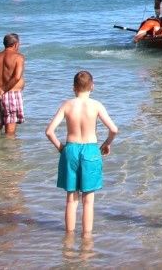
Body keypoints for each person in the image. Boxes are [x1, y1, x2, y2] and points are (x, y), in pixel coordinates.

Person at [44, 70, 118, 234]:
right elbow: (114, 129)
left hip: (70, 149)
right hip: (91, 150)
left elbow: (49, 131)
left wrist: (61, 148)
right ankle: (87, 239)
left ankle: (69, 238)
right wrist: (106, 143)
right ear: (92, 86)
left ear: (73, 88)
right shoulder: (96, 105)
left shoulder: (67, 105)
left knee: (71, 199)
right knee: (88, 200)